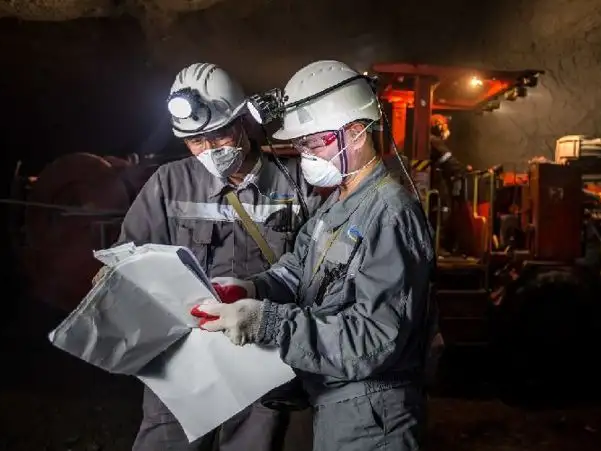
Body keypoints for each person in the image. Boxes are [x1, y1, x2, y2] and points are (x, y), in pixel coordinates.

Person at [191, 60, 437, 451]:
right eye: (301, 144)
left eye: (314, 142)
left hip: (373, 413)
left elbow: (374, 340)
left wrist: (268, 323)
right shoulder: (338, 203)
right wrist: (251, 288)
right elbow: (298, 271)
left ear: (355, 133)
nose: (304, 154)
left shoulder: (389, 214)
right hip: (338, 401)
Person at [102, 62, 319, 451]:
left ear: (244, 122)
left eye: (218, 135)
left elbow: (318, 272)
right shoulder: (169, 184)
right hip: (184, 366)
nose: (208, 150)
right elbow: (128, 261)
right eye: (195, 141)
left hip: (264, 367)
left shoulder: (298, 185)